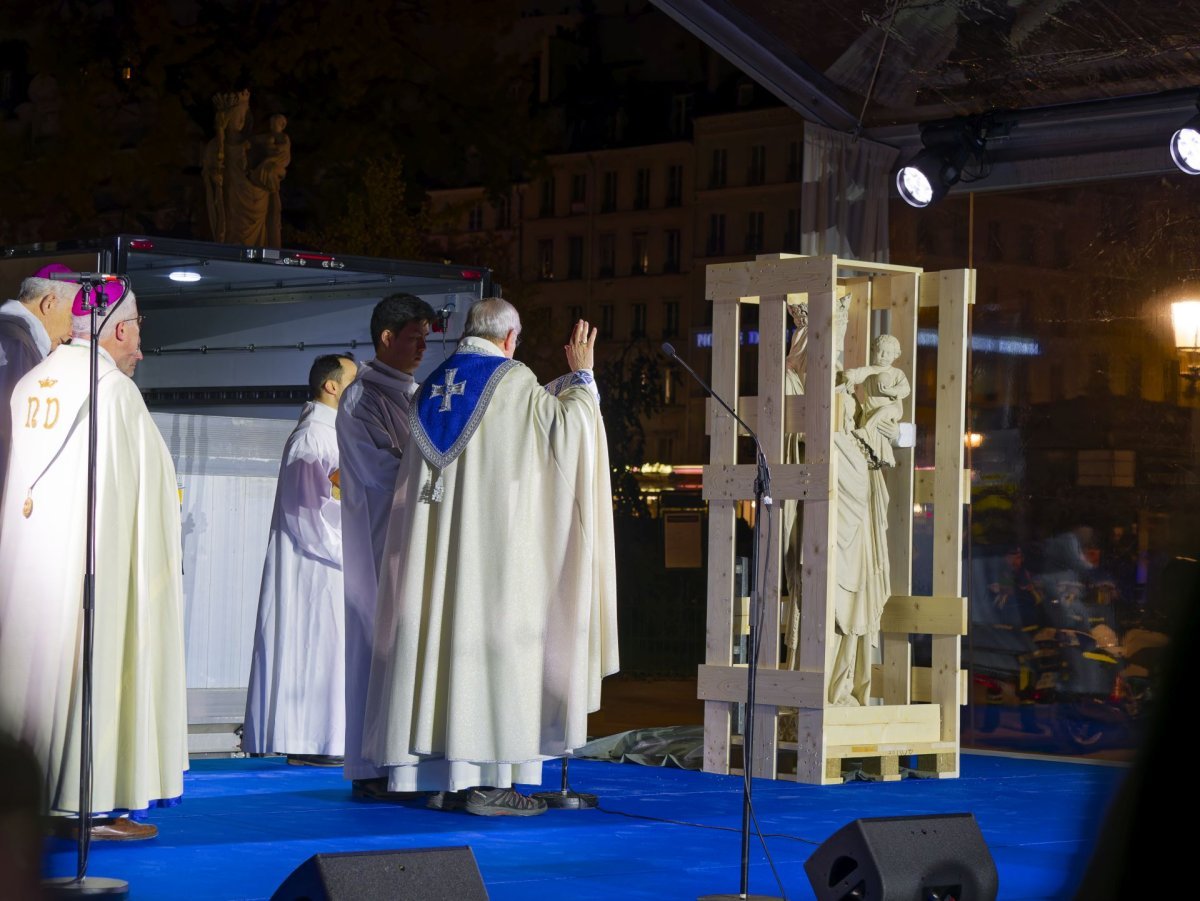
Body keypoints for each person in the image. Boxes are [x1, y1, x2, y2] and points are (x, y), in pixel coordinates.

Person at [363, 299, 618, 817]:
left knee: (441, 649)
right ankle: (488, 780)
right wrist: (583, 378)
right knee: (491, 653)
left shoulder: (433, 386)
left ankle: (438, 777)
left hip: (438, 568)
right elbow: (565, 432)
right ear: (508, 338)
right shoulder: (511, 379)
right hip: (493, 562)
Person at [0, 282, 187, 840]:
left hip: (34, 564)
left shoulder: (34, 379)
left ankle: (28, 793)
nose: (140, 351)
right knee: (94, 664)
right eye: (138, 334)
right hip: (91, 565)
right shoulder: (113, 391)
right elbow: (142, 497)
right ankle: (94, 801)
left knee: (33, 677)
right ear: (121, 329)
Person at [336, 292, 436, 799]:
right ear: (387, 338)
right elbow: (379, 474)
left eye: (426, 336)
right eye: (414, 336)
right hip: (377, 541)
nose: (423, 345)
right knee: (375, 653)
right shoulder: (362, 399)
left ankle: (403, 760)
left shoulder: (416, 394)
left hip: (411, 541)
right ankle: (371, 769)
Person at [243, 352, 358, 766]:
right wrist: (356, 552)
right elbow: (307, 513)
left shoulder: (335, 434)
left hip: (331, 561)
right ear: (331, 386)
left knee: (329, 650)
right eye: (351, 381)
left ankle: (326, 740)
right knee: (315, 646)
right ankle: (311, 740)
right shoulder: (313, 437)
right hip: (317, 564)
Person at [1, 262, 78, 501]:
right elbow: (10, 430)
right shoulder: (15, 343)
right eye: (72, 318)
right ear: (49, 303)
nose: (73, 332)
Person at [843, 333, 910, 470]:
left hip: (892, 411)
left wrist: (890, 392)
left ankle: (867, 430)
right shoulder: (870, 371)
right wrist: (848, 379)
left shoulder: (897, 373)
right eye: (881, 351)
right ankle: (867, 431)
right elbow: (851, 373)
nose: (884, 356)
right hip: (870, 416)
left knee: (884, 411)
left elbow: (905, 389)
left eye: (889, 353)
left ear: (896, 354)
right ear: (874, 350)